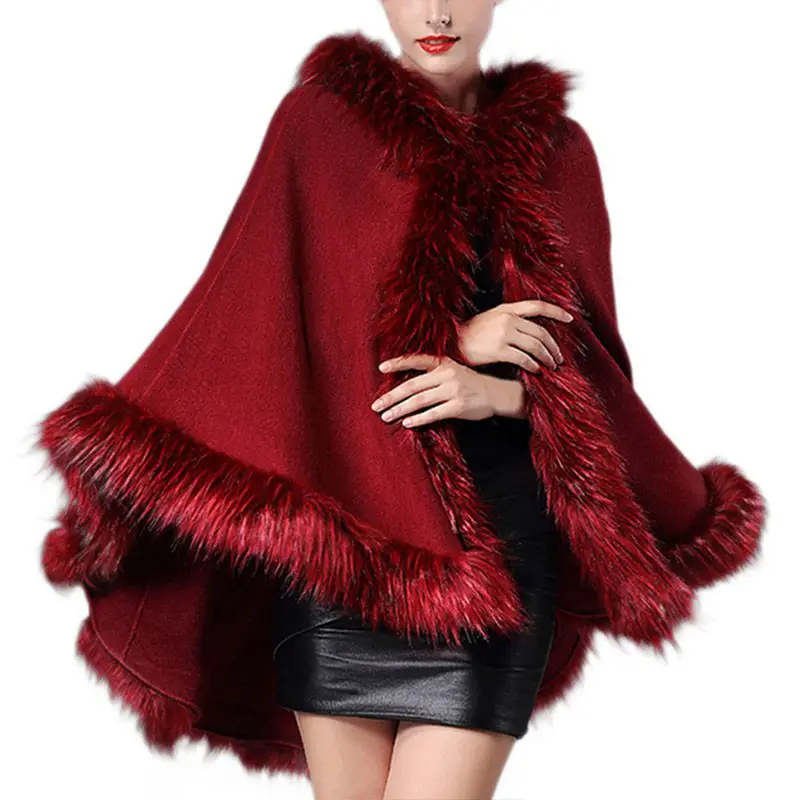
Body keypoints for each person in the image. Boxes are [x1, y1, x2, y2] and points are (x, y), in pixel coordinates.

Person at [33, 1, 766, 798]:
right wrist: (457, 337)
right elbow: (275, 340)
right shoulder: (317, 126)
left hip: (496, 563)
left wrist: (501, 396)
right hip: (345, 557)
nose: (437, 11)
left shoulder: (560, 152)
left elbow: (596, 384)